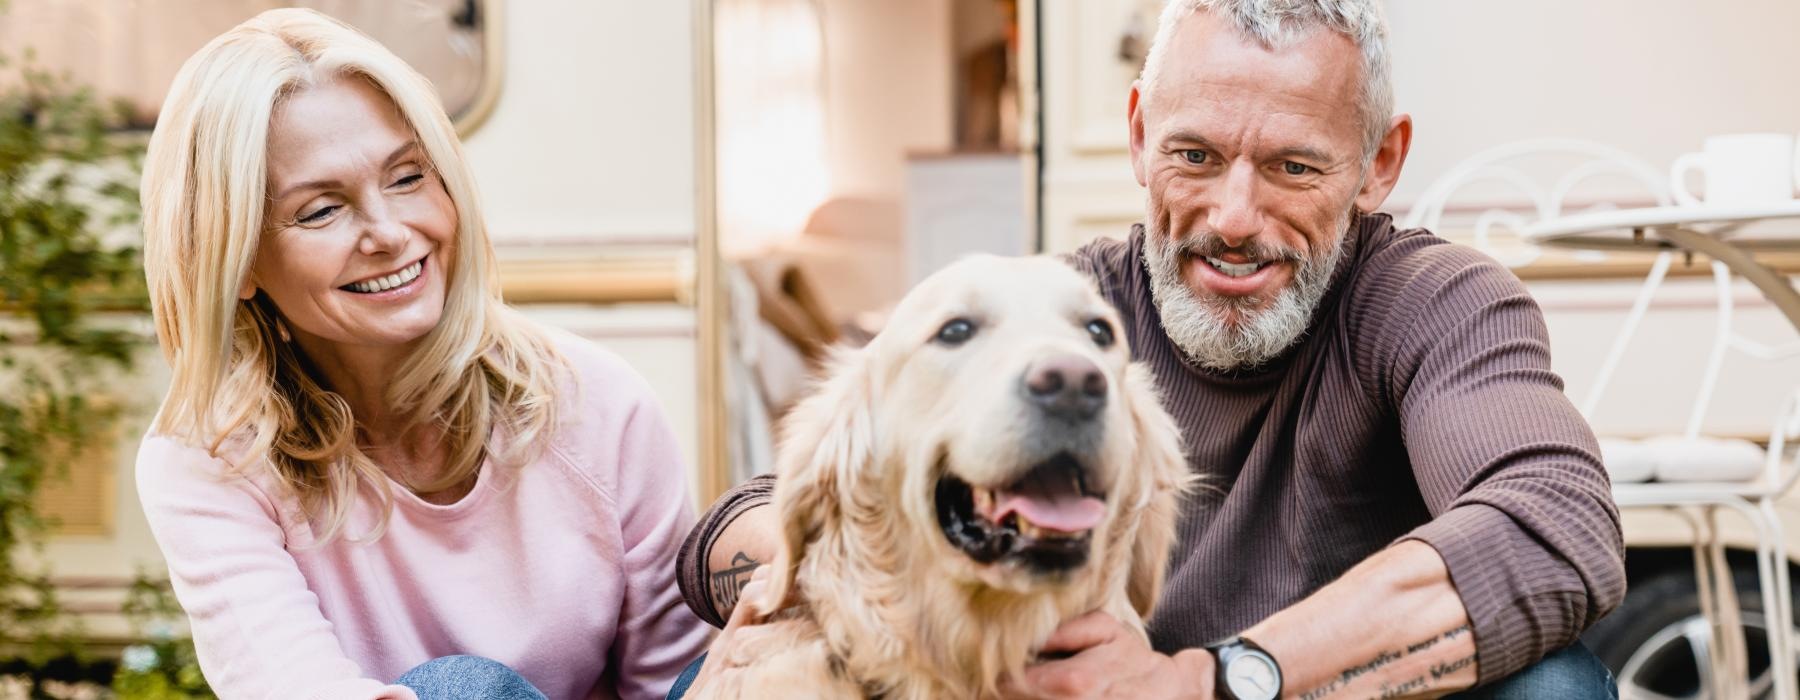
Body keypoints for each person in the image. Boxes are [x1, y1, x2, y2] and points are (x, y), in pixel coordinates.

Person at [672, 1, 1623, 698]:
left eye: (1294, 167)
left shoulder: (1435, 302)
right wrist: (796, 579)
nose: (1235, 218)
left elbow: (1553, 527)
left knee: (1556, 688)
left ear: (1380, 163)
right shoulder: (1062, 316)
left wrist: (1215, 679)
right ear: (1137, 136)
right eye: (1195, 156)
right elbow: (747, 514)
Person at [134, 9, 709, 700]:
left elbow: (678, 682)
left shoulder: (597, 403)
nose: (389, 232)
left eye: (408, 178)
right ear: (237, 259)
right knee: (460, 691)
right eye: (321, 210)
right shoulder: (210, 457)